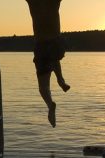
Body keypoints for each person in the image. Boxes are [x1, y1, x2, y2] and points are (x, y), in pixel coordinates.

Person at [26, 0, 70, 128]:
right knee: (54, 55)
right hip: (56, 44)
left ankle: (51, 104)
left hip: (42, 46)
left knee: (43, 88)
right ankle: (60, 79)